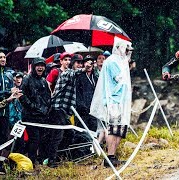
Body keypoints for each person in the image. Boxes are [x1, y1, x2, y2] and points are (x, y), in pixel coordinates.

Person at [90, 38, 133, 167]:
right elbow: (119, 79)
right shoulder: (113, 61)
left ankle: (113, 156)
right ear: (120, 48)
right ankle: (110, 157)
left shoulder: (120, 61)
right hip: (113, 101)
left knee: (120, 129)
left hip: (120, 100)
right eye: (126, 49)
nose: (127, 52)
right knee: (113, 129)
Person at [47, 53, 92, 168]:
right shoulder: (67, 73)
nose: (79, 65)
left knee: (69, 133)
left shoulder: (74, 75)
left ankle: (60, 157)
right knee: (57, 135)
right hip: (58, 108)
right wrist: (85, 68)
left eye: (81, 63)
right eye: (77, 63)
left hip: (65, 110)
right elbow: (75, 72)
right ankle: (52, 161)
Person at [19, 57, 51, 165]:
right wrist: (33, 107)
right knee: (34, 139)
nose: (40, 67)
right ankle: (31, 162)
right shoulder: (27, 79)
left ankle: (39, 160)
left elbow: (47, 96)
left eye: (42, 65)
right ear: (34, 66)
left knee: (42, 139)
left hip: (42, 115)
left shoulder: (43, 81)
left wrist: (46, 108)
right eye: (38, 65)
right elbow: (21, 95)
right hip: (30, 115)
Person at [0, 50, 18, 175]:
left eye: (4, 57)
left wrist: (14, 93)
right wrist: (7, 92)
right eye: (0, 57)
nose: (3, 59)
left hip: (5, 113)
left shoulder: (8, 75)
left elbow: (11, 92)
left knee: (3, 140)